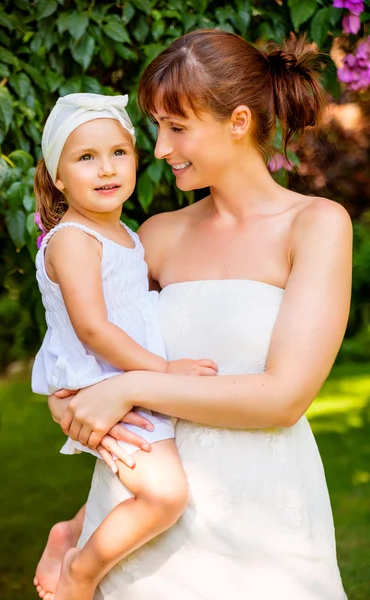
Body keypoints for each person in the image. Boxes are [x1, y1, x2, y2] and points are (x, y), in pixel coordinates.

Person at [38, 30, 352, 600]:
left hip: (264, 520)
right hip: (146, 534)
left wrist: (132, 385)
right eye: (157, 127)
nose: (158, 149)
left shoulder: (317, 225)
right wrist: (69, 403)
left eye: (176, 127)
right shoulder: (153, 238)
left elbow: (283, 399)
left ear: (237, 122)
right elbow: (85, 343)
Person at [31, 92, 218, 600]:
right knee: (164, 494)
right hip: (104, 383)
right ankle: (81, 572)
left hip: (124, 381)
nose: (106, 168)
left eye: (118, 152)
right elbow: (92, 327)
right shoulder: (73, 238)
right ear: (58, 177)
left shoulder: (127, 237)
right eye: (85, 157)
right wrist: (163, 372)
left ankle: (70, 532)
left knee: (141, 476)